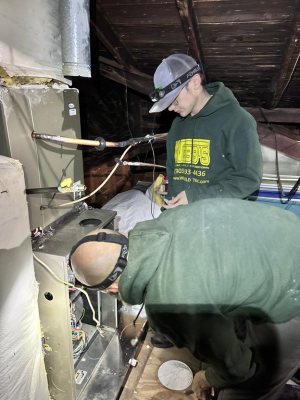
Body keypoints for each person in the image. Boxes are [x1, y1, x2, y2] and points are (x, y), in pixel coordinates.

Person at [70, 198, 300, 400]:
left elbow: (237, 369)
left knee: (244, 388)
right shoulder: (173, 218)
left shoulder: (168, 305)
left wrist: (207, 376)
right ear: (121, 235)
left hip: (292, 295)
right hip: (288, 241)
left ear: (111, 288)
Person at [149, 54, 263, 209]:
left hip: (221, 220)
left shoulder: (237, 120)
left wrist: (195, 196)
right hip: (184, 220)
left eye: (174, 99)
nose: (170, 108)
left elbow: (248, 180)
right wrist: (168, 213)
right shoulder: (177, 125)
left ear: (195, 82)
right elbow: (174, 177)